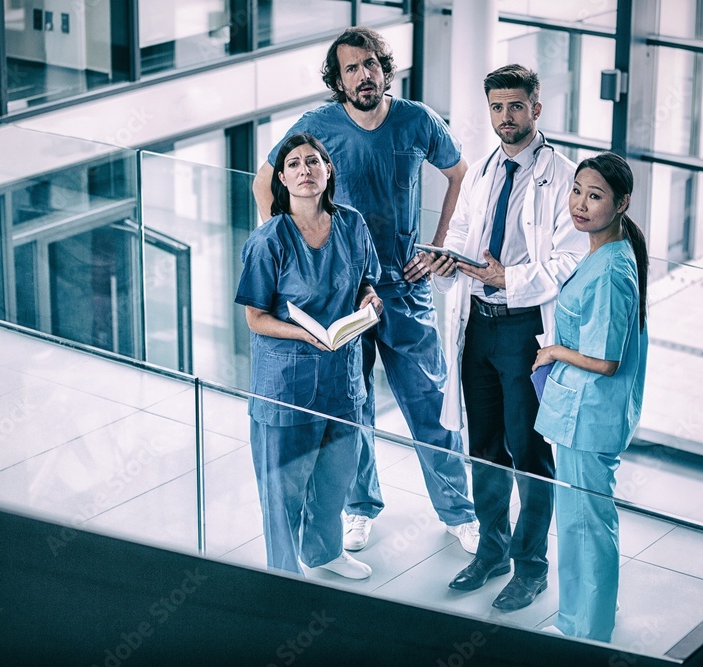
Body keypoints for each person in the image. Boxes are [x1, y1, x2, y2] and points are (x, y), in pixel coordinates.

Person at [252, 26, 479, 554]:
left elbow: (461, 174)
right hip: (341, 296)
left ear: (384, 68)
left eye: (371, 63)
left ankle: (460, 512)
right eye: (351, 68)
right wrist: (293, 250)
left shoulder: (417, 119)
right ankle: (359, 507)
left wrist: (440, 244)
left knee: (431, 402)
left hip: (403, 286)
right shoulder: (316, 126)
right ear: (338, 79)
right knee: (353, 408)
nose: (363, 74)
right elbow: (266, 183)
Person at [424, 64, 587, 610]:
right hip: (478, 327)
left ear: (536, 110)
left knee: (529, 450)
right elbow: (467, 233)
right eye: (497, 107)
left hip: (525, 330)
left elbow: (569, 257)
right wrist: (447, 261)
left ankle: (532, 566)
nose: (506, 117)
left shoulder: (564, 176)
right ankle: (491, 550)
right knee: (486, 446)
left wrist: (507, 278)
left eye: (516, 106)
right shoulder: (483, 170)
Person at [236, 133, 383, 580]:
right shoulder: (269, 241)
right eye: (295, 164)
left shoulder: (353, 225)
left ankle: (325, 553)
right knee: (282, 490)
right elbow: (255, 317)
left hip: (342, 378)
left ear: (328, 170)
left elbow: (365, 281)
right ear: (281, 178)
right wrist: (301, 333)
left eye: (314, 161)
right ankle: (284, 575)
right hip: (286, 383)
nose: (305, 170)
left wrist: (370, 299)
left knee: (335, 476)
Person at [533, 151, 649, 641]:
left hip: (589, 416)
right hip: (585, 412)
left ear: (621, 203)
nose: (579, 203)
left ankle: (589, 630)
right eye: (577, 190)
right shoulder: (607, 252)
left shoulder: (609, 272)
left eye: (595, 196)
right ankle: (583, 617)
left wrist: (554, 350)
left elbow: (605, 361)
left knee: (586, 525)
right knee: (582, 520)